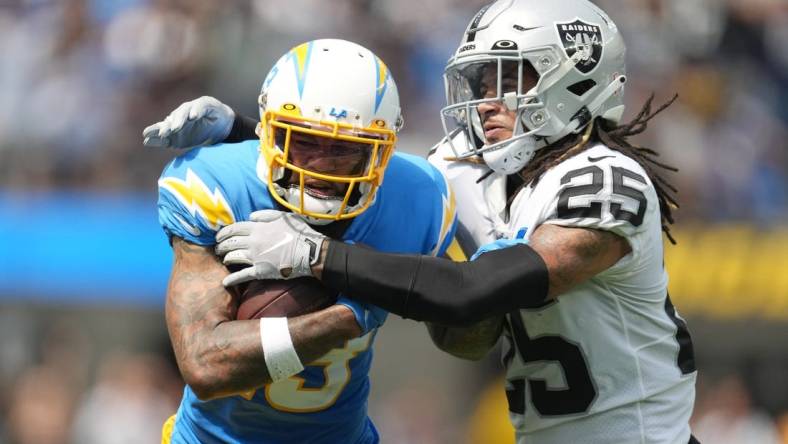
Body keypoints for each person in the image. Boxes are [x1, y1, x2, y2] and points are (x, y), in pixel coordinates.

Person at [146, 1, 699, 443]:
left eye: (509, 79)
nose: (486, 101)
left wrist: (318, 256)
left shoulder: (606, 184)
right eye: (481, 83)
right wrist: (248, 127)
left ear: (575, 79)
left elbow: (468, 292)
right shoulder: (468, 167)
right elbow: (358, 160)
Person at [152, 38, 456, 444]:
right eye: (306, 142)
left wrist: (421, 284)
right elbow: (207, 367)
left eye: (344, 149)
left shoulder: (416, 195)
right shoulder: (219, 184)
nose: (320, 167)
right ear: (269, 131)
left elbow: (465, 338)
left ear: (381, 152)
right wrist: (349, 315)